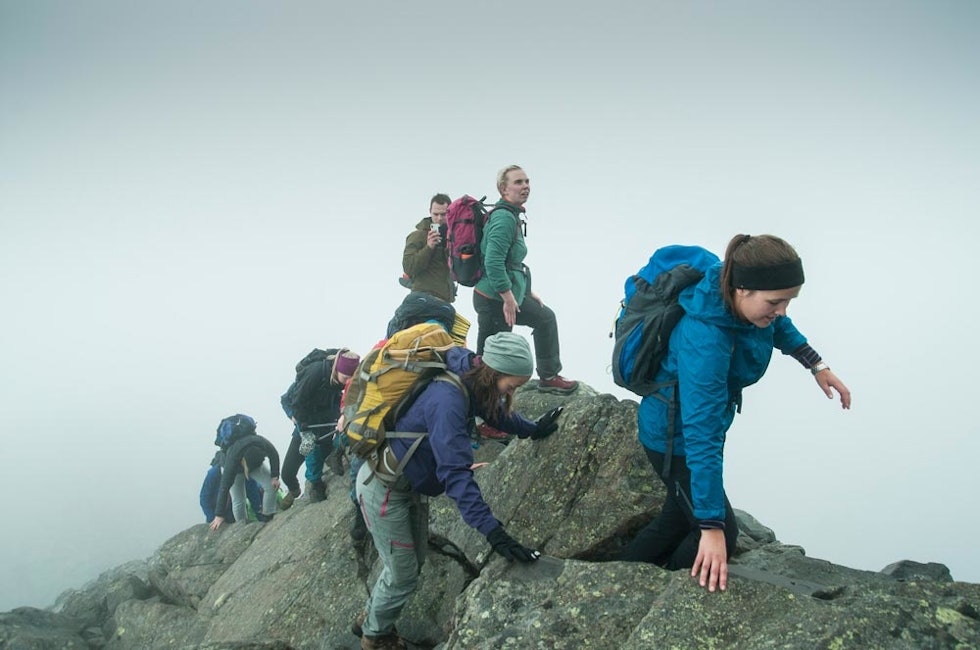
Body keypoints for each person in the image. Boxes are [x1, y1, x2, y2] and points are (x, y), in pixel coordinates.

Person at [620, 234, 852, 593]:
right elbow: (700, 433)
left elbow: (779, 326)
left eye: (788, 301)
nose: (781, 311)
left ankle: (623, 576)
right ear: (742, 290)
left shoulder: (735, 294)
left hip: (685, 428)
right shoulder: (706, 339)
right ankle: (652, 592)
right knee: (717, 531)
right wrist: (712, 528)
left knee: (675, 517)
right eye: (775, 301)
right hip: (674, 439)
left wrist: (815, 363)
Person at [352, 332, 562, 649]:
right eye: (513, 385)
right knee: (404, 573)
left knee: (411, 565)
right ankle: (374, 637)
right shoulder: (447, 400)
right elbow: (455, 475)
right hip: (383, 488)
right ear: (494, 371)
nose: (513, 392)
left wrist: (533, 428)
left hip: (406, 486)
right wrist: (494, 533)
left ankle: (370, 617)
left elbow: (494, 413)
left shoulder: (471, 377)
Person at [472, 165, 578, 395]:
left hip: (508, 294)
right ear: (503, 189)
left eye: (527, 181)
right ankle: (482, 414)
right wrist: (508, 297)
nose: (525, 186)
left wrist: (526, 291)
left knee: (545, 318)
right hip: (493, 299)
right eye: (518, 182)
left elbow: (514, 263)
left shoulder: (512, 215)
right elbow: (493, 262)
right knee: (493, 360)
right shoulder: (503, 219)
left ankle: (549, 376)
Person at [280, 349, 360, 506]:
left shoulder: (342, 377)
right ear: (337, 369)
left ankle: (320, 475)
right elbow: (293, 401)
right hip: (306, 423)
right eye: (345, 378)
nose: (347, 382)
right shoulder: (315, 374)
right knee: (289, 470)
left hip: (326, 424)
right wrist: (298, 420)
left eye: (351, 378)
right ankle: (301, 489)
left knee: (319, 450)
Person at [209, 420, 282, 532]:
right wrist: (219, 514)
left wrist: (275, 477)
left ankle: (268, 516)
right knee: (238, 499)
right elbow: (224, 487)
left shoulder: (260, 443)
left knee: (271, 486)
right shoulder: (231, 460)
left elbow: (273, 454)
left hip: (254, 463)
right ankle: (242, 528)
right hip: (234, 467)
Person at [401, 193, 454, 302]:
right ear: (430, 211)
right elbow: (408, 267)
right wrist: (429, 247)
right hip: (422, 296)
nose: (439, 218)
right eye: (435, 214)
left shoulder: (454, 236)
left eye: (443, 214)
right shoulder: (418, 236)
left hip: (445, 299)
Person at [199, 449, 264, 523]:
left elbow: (253, 494)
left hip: (232, 512)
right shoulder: (214, 474)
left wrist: (261, 517)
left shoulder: (244, 472)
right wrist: (212, 518)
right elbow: (204, 498)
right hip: (215, 511)